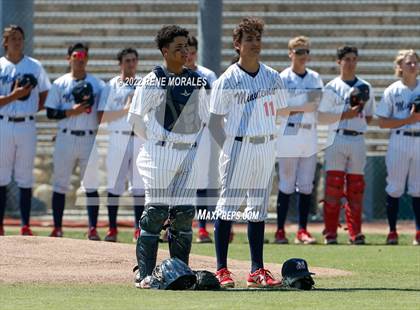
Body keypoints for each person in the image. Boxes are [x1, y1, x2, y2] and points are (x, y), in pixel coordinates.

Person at [128, 25, 209, 289]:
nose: (185, 51)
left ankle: (179, 272)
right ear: (165, 51)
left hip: (188, 153)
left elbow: (205, 118)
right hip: (159, 152)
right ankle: (145, 274)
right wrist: (155, 143)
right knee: (155, 213)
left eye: (186, 46)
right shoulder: (153, 80)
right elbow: (136, 118)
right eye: (178, 47)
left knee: (184, 214)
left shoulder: (196, 80)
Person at [209, 17, 286, 288]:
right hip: (237, 146)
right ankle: (221, 269)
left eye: (258, 38)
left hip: (265, 145)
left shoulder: (273, 76)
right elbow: (215, 122)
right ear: (237, 44)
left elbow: (280, 112)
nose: (255, 44)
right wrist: (230, 148)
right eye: (249, 39)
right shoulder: (227, 79)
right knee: (228, 208)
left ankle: (257, 270)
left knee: (258, 209)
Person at [45, 43, 105, 240]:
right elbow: (50, 112)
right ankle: (57, 227)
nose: (79, 59)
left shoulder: (98, 85)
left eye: (83, 56)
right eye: (75, 56)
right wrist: (72, 111)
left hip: (89, 136)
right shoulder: (59, 83)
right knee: (60, 184)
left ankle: (93, 228)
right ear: (68, 58)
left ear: (87, 59)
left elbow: (104, 113)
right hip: (66, 135)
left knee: (91, 185)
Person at [318, 46, 375, 245]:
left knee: (356, 188)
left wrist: (355, 115)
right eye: (347, 59)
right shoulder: (331, 87)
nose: (351, 63)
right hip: (337, 137)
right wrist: (345, 115)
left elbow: (369, 116)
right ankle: (330, 233)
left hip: (357, 137)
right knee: (333, 187)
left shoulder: (365, 86)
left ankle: (355, 232)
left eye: (354, 59)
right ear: (339, 62)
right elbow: (322, 116)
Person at [0, 24, 51, 236]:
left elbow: (45, 93)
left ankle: (25, 224)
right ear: (5, 42)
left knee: (25, 176)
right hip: (3, 122)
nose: (17, 41)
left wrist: (30, 108)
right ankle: (0, 224)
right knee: (1, 175)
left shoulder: (34, 65)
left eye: (20, 37)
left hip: (27, 124)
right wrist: (15, 95)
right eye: (12, 38)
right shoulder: (0, 65)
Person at [274, 36, 323, 245]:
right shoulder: (283, 78)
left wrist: (294, 106)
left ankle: (302, 230)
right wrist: (302, 105)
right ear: (290, 53)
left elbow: (316, 105)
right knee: (286, 184)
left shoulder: (314, 78)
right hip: (288, 133)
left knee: (305, 185)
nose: (303, 56)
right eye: (299, 51)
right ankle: (280, 230)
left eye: (306, 52)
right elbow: (279, 109)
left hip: (308, 133)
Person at [97, 48, 145, 242]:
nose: (131, 64)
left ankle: (138, 228)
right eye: (127, 61)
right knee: (114, 185)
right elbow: (102, 116)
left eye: (134, 60)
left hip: (140, 137)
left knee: (139, 187)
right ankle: (112, 228)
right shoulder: (110, 86)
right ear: (120, 63)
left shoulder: (144, 85)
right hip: (118, 136)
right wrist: (125, 110)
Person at [376, 49, 420, 245]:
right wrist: (409, 119)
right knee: (394, 187)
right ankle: (392, 231)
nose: (413, 66)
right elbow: (382, 123)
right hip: (399, 140)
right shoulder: (392, 90)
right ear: (399, 67)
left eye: (415, 62)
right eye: (408, 63)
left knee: (418, 188)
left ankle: (418, 232)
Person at [185, 35, 218, 243]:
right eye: (184, 51)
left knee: (202, 179)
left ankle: (203, 227)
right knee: (178, 177)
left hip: (202, 130)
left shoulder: (207, 74)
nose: (188, 55)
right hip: (179, 133)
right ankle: (175, 225)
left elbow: (215, 102)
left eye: (191, 51)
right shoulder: (173, 74)